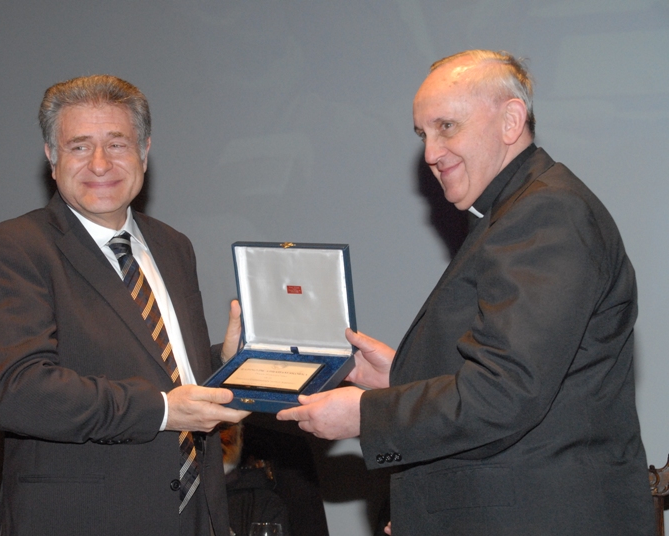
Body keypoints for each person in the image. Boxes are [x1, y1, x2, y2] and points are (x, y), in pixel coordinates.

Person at [276, 50, 655, 535]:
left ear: (511, 121)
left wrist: (367, 416)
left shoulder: (546, 215)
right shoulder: (515, 211)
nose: (430, 152)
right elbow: (525, 375)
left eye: (447, 127)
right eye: (422, 134)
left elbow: (504, 395)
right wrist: (403, 377)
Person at [0, 74, 249, 536]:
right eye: (79, 146)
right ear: (51, 158)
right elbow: (16, 391)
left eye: (117, 144)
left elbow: (164, 368)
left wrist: (224, 361)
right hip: (81, 519)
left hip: (195, 515)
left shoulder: (172, 246)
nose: (100, 163)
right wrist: (161, 410)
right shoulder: (14, 247)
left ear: (143, 152)